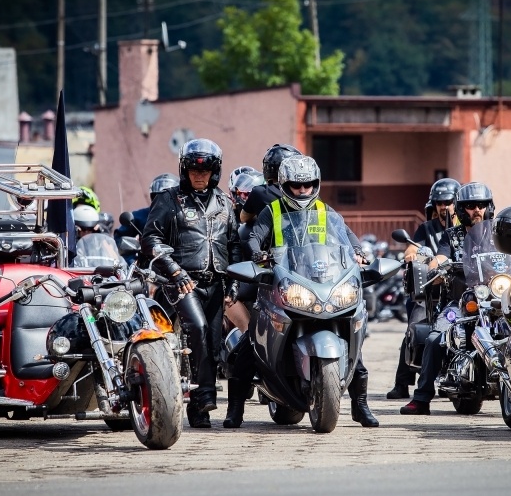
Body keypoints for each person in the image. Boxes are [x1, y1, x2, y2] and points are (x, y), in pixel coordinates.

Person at [224, 155, 379, 429]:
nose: (303, 190)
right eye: (297, 185)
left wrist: (358, 253)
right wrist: (258, 255)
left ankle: (360, 405)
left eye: (308, 184)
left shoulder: (327, 212)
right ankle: (234, 409)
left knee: (355, 348)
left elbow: (347, 237)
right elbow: (252, 237)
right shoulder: (271, 211)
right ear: (285, 184)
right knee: (251, 344)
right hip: (279, 282)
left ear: (316, 184)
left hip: (321, 282)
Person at [141, 139, 241, 429]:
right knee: (196, 329)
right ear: (184, 170)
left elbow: (233, 244)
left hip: (216, 282)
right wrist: (175, 272)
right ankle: (207, 394)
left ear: (215, 172)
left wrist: (233, 283)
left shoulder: (224, 202)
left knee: (212, 341)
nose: (200, 175)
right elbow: (151, 240)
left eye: (206, 171)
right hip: (182, 283)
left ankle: (200, 410)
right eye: (194, 171)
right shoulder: (169, 199)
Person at [400, 181, 495, 415]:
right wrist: (436, 268)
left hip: (495, 302)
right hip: (460, 304)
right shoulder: (451, 236)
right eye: (471, 206)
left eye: (481, 205)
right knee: (434, 338)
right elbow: (440, 258)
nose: (477, 210)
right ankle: (421, 399)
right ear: (462, 209)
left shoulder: (498, 234)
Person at [386, 178, 461, 400]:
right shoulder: (426, 228)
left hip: (460, 290)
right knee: (415, 328)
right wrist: (416, 255)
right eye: (439, 202)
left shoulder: (464, 230)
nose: (443, 206)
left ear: (457, 203)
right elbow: (411, 251)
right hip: (430, 291)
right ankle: (402, 383)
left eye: (448, 201)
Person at [239, 143, 301, 224]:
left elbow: (244, 218)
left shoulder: (259, 192)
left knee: (244, 229)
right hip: (307, 235)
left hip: (274, 236)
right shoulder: (308, 191)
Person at [71, 204, 126, 270]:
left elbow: (116, 259)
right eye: (83, 229)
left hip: (102, 276)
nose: (86, 233)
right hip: (79, 276)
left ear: (95, 227)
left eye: (90, 229)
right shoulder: (71, 244)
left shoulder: (102, 243)